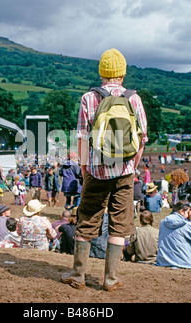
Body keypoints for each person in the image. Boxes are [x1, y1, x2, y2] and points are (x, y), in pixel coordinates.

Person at [61, 48, 148, 292]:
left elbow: (81, 137)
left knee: (87, 220)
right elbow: (141, 139)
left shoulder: (89, 98)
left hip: (97, 171)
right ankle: (110, 280)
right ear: (122, 74)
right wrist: (132, 166)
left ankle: (78, 275)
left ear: (102, 73)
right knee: (120, 223)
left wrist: (86, 168)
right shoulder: (134, 98)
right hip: (125, 172)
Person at [157, 201, 191, 270]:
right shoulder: (185, 224)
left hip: (164, 263)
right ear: (182, 211)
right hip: (185, 264)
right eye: (189, 212)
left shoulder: (163, 222)